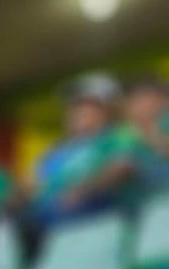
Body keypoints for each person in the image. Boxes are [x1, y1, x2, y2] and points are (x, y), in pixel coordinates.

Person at [31, 72, 144, 227]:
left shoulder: (120, 136)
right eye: (75, 106)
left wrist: (84, 191)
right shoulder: (58, 151)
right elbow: (35, 186)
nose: (79, 112)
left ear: (109, 110)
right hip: (49, 225)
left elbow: (122, 169)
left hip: (100, 218)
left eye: (88, 106)